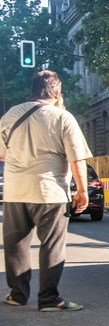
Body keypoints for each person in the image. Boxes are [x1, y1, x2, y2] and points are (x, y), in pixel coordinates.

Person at [0, 70, 92, 311]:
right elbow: (77, 160)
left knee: (16, 245)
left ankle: (18, 295)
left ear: (32, 90)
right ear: (57, 93)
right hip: (49, 192)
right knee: (52, 244)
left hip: (14, 190)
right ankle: (49, 299)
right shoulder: (63, 118)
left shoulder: (10, 115)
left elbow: (2, 153)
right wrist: (82, 191)